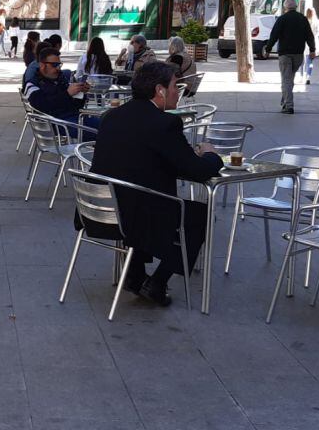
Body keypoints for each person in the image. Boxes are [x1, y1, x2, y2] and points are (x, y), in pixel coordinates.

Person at [89, 62, 223, 306]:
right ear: (160, 90)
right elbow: (198, 170)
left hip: (101, 211)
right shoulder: (164, 123)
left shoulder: (111, 116)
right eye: (175, 85)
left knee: (145, 198)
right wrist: (211, 154)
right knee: (200, 215)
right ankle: (158, 282)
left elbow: (141, 158)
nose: (177, 92)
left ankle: (136, 274)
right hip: (136, 216)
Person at [265, 0, 315, 114]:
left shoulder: (282, 19)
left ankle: (288, 106)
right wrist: (312, 50)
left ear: (285, 7)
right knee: (289, 79)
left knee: (286, 80)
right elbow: (309, 35)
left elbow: (274, 35)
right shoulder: (303, 19)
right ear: (296, 6)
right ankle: (285, 102)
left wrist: (267, 49)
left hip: (285, 54)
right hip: (298, 54)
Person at [24, 47, 89, 125]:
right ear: (42, 65)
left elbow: (75, 105)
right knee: (103, 130)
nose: (58, 68)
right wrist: (67, 93)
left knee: (104, 124)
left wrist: (80, 92)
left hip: (74, 119)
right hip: (56, 126)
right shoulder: (33, 83)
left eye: (59, 65)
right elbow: (42, 105)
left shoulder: (60, 79)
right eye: (54, 65)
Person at [302, 8, 319, 85]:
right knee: (309, 61)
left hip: (307, 42)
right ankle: (307, 76)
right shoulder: (316, 21)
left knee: (305, 61)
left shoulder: (305, 20)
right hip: (312, 42)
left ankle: (305, 76)